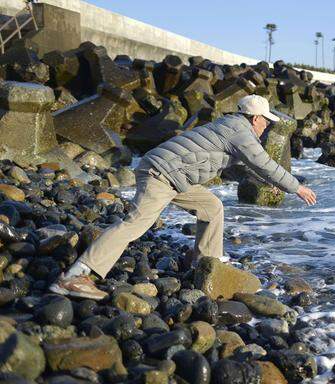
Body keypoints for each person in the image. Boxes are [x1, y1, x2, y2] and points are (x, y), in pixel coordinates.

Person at [49, 95, 317, 300]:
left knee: (212, 207)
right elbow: (264, 164)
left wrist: (269, 183)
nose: (267, 126)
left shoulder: (231, 126)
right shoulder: (240, 132)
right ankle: (76, 276)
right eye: (266, 121)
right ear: (256, 118)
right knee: (136, 223)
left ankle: (205, 264)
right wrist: (297, 188)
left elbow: (237, 166)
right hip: (161, 174)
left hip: (176, 177)